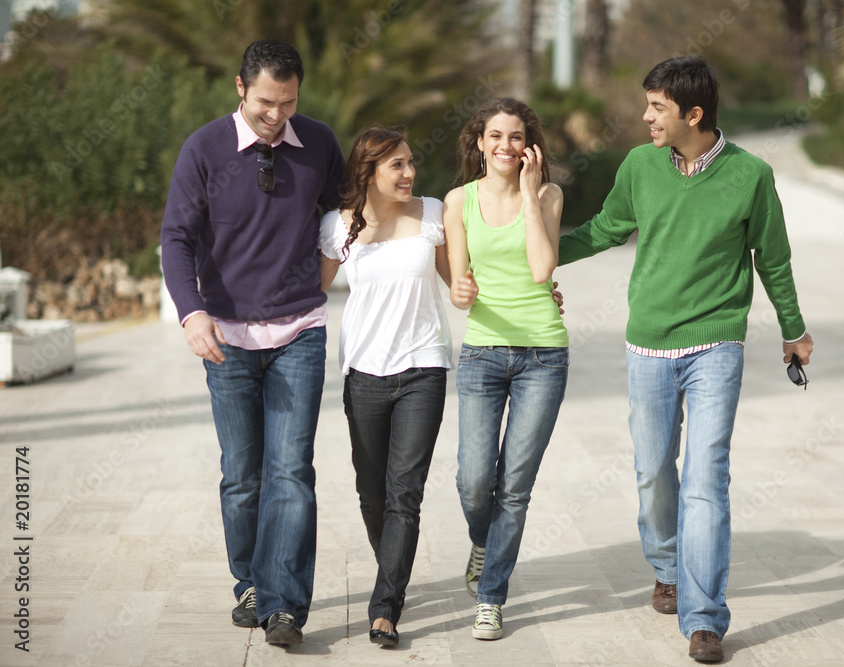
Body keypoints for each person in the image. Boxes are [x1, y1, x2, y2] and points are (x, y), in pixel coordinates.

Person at [557, 56, 814, 664]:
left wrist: (793, 329)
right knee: (653, 473)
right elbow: (603, 229)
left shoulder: (751, 175)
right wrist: (531, 259)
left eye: (656, 107)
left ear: (692, 114)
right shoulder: (641, 165)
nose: (645, 116)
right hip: (647, 342)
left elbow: (772, 258)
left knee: (706, 480)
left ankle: (704, 619)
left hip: (716, 343)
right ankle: (668, 567)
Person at [160, 39, 346, 647]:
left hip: (299, 330)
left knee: (291, 470)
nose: (277, 115)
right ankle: (248, 581)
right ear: (241, 88)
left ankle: (285, 603)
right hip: (227, 337)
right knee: (242, 474)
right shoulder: (204, 149)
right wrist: (191, 314)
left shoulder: (317, 142)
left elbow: (349, 215)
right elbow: (177, 239)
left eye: (288, 103)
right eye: (266, 102)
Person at [317, 127, 452, 648]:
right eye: (396, 164)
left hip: (424, 369)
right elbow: (311, 291)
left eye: (411, 162)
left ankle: (385, 607)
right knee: (370, 493)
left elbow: (462, 282)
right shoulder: (339, 226)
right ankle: (391, 570)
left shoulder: (434, 214)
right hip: (365, 374)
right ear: (368, 171)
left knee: (404, 494)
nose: (409, 172)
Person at [443, 97, 568, 641]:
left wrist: (528, 196)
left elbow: (543, 268)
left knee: (513, 487)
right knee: (475, 480)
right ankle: (483, 540)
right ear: (479, 142)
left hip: (543, 355)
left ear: (529, 146)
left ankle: (491, 597)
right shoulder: (457, 201)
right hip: (482, 353)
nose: (505, 146)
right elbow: (458, 285)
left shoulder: (548, 195)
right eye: (495, 136)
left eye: (516, 137)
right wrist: (459, 288)